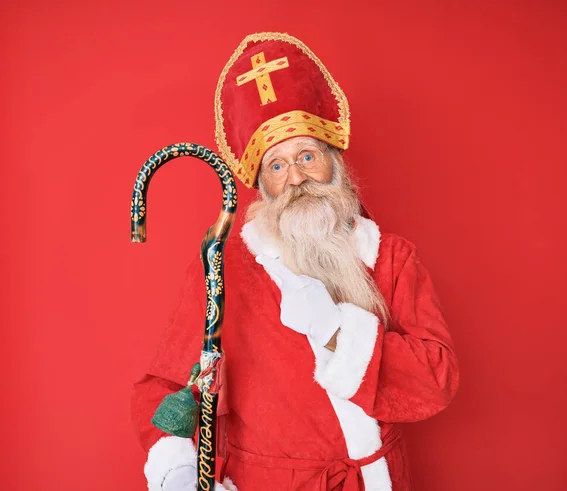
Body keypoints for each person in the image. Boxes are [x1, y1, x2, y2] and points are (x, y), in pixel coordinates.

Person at [131, 32, 459, 491]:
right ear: (263, 184)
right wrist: (178, 467)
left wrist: (336, 331)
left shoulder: (391, 256)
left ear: (335, 165)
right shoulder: (224, 269)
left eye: (307, 156)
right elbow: (167, 386)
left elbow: (436, 381)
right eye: (278, 166)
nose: (297, 177)